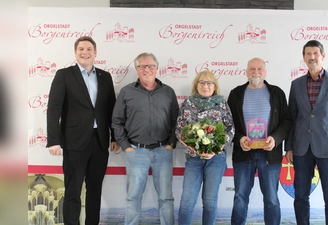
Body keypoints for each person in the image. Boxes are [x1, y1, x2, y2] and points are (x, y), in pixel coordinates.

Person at [46, 36, 119, 225]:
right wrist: (53, 140)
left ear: (95, 53)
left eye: (88, 49)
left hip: (100, 141)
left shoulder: (105, 76)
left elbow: (111, 109)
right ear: (75, 52)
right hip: (73, 142)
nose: (84, 52)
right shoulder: (64, 75)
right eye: (80, 49)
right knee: (72, 191)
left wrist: (114, 137)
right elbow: (54, 109)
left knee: (94, 192)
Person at [285, 40, 328, 225]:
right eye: (308, 54)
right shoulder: (296, 84)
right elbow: (292, 117)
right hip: (301, 148)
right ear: (304, 57)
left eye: (315, 53)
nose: (312, 57)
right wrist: (289, 147)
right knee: (300, 196)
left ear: (323, 55)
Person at [111, 52, 179, 225]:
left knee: (166, 197)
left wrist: (171, 143)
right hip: (136, 151)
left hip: (163, 150)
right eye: (142, 66)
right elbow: (117, 121)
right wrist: (125, 146)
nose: (147, 69)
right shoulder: (127, 92)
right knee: (133, 197)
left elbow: (175, 121)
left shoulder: (168, 92)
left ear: (157, 68)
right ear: (137, 69)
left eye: (151, 66)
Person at [227, 57, 292, 225]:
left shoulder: (277, 93)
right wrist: (239, 138)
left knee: (271, 198)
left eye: (259, 69)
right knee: (240, 197)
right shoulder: (236, 94)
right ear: (246, 71)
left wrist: (275, 139)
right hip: (243, 153)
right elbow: (228, 123)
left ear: (265, 71)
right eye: (252, 69)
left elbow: (287, 121)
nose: (256, 72)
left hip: (270, 154)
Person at [175, 70, 235, 225]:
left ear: (215, 86)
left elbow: (230, 129)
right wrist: (196, 148)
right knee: (187, 201)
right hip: (193, 159)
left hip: (216, 159)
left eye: (209, 83)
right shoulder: (187, 104)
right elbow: (179, 130)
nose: (205, 86)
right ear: (196, 85)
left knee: (209, 201)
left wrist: (214, 149)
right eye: (202, 82)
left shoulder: (222, 104)